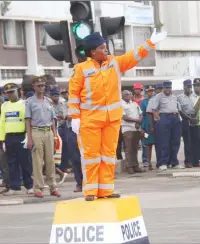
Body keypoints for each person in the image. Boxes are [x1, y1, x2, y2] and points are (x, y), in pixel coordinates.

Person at [68, 29, 167, 201]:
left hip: (111, 120)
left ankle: (106, 189)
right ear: (93, 51)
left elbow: (133, 57)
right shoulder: (81, 69)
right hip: (89, 121)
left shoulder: (113, 63)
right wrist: (75, 117)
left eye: (106, 46)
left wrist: (150, 43)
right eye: (102, 47)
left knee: (108, 155)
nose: (106, 50)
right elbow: (73, 94)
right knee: (91, 157)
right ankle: (90, 191)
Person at [25, 76, 60, 198]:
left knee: (50, 161)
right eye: (39, 85)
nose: (41, 88)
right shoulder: (30, 102)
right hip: (36, 131)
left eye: (43, 85)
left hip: (48, 131)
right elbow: (28, 121)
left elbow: (53, 120)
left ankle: (53, 186)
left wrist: (55, 135)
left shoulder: (48, 101)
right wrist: (29, 138)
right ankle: (38, 188)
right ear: (34, 87)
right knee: (38, 161)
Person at [0, 83, 33, 196]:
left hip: (21, 136)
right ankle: (15, 187)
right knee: (11, 163)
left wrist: (29, 136)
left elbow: (29, 121)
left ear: (18, 91)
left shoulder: (25, 104)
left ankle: (29, 186)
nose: (9, 95)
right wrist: (1, 140)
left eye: (11, 92)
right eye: (7, 93)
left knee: (25, 162)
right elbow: (2, 123)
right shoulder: (4, 106)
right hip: (9, 137)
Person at [151, 81, 184, 171]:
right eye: (166, 88)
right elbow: (154, 109)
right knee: (164, 142)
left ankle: (174, 162)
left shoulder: (174, 97)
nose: (168, 89)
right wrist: (159, 118)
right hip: (164, 117)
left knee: (175, 141)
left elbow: (179, 109)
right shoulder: (159, 96)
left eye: (169, 88)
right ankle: (162, 163)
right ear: (163, 88)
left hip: (175, 118)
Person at [177, 79, 199, 168]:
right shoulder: (180, 97)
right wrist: (190, 118)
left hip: (195, 120)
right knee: (188, 142)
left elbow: (198, 108)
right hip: (186, 120)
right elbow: (180, 111)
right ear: (184, 87)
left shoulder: (195, 96)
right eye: (187, 87)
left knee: (196, 141)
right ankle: (188, 161)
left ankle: (196, 161)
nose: (189, 88)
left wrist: (196, 118)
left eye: (190, 87)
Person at [121, 90, 144, 174]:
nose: (129, 95)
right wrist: (136, 121)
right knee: (129, 148)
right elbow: (124, 117)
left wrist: (139, 122)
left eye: (129, 94)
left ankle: (135, 166)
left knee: (135, 148)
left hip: (136, 128)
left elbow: (141, 113)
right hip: (127, 129)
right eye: (126, 94)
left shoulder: (134, 104)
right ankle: (129, 167)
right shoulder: (120, 104)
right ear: (122, 95)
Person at [50, 88, 69, 185]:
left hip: (63, 127)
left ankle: (63, 168)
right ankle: (57, 170)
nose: (56, 97)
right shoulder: (49, 105)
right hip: (54, 129)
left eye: (57, 95)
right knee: (54, 151)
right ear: (51, 96)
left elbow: (65, 115)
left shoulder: (63, 103)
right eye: (54, 96)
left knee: (64, 150)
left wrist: (62, 117)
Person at [140, 85, 156, 171]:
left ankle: (159, 162)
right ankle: (148, 162)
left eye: (152, 91)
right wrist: (141, 128)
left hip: (157, 126)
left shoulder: (156, 101)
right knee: (147, 145)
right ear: (146, 92)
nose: (151, 92)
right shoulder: (143, 102)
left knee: (158, 145)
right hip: (146, 127)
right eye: (149, 91)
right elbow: (142, 115)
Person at [132, 83, 148, 166]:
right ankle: (134, 162)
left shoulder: (144, 100)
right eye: (136, 89)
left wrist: (143, 125)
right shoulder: (131, 100)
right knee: (134, 143)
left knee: (145, 141)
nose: (137, 90)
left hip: (144, 125)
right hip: (133, 125)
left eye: (139, 89)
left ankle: (145, 160)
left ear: (141, 90)